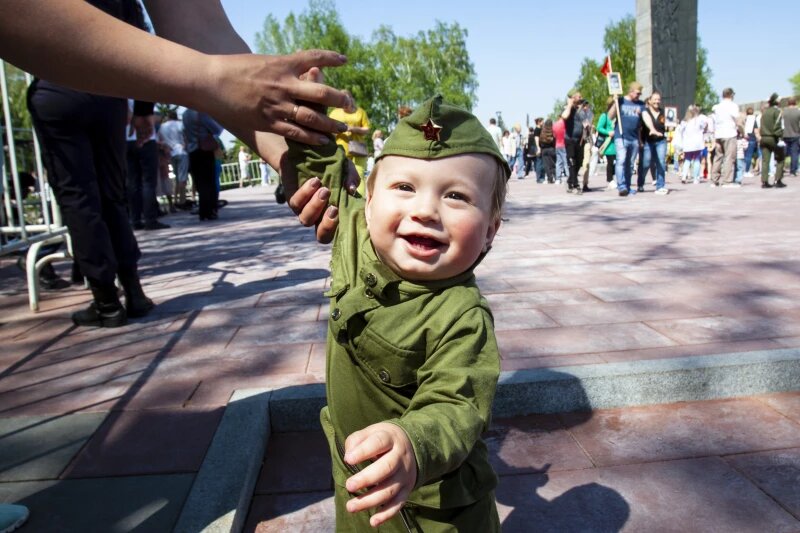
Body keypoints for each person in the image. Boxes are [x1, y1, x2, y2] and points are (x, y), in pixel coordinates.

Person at [286, 95, 506, 531]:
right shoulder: (355, 236)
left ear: (489, 231)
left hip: (429, 512)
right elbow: (320, 168)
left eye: (457, 196)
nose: (424, 210)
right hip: (357, 484)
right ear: (368, 201)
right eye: (404, 187)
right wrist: (305, 108)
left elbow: (456, 403)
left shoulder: (462, 315)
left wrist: (413, 441)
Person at [1, 0, 358, 244]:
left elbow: (199, 27)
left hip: (105, 95)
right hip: (66, 84)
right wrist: (214, 79)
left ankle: (112, 288)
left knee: (98, 196)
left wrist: (293, 155)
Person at [125, 99, 168, 230]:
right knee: (148, 182)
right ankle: (150, 219)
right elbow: (149, 117)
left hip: (126, 140)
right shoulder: (140, 94)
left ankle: (135, 219)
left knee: (133, 182)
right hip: (146, 139)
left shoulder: (120, 95)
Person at [183, 108, 223, 220]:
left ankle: (203, 210)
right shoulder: (201, 113)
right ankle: (210, 209)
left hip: (192, 150)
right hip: (204, 148)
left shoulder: (185, 114)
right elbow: (216, 129)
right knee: (209, 181)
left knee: (199, 182)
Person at [607, 81, 646, 196]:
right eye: (637, 93)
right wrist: (615, 102)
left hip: (634, 138)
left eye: (640, 94)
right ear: (631, 91)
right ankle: (622, 186)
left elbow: (645, 119)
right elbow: (610, 116)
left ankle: (628, 187)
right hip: (621, 136)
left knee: (630, 164)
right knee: (621, 160)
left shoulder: (640, 104)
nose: (639, 96)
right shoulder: (621, 101)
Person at [329, 90, 371, 194]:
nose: (345, 102)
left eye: (347, 99)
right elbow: (328, 130)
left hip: (358, 150)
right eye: (341, 100)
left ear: (352, 99)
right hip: (340, 149)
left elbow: (367, 129)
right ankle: (343, 202)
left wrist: (352, 129)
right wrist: (339, 130)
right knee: (341, 175)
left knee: (359, 174)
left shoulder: (360, 112)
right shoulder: (334, 113)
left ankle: (360, 204)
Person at [158, 109, 190, 207]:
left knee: (176, 178)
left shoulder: (162, 126)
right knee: (182, 178)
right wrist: (186, 145)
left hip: (171, 153)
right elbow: (186, 135)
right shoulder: (180, 124)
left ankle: (175, 199)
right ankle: (182, 200)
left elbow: (160, 139)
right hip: (181, 151)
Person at [561, 90, 591, 194]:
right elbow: (564, 116)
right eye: (579, 96)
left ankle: (570, 181)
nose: (581, 98)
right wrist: (569, 105)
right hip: (569, 139)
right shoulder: (567, 108)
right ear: (573, 98)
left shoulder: (581, 110)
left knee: (579, 161)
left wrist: (588, 127)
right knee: (572, 161)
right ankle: (575, 184)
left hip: (580, 140)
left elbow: (585, 122)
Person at [640, 90, 668, 194]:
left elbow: (668, 127)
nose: (657, 101)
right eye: (655, 99)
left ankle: (660, 186)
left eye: (658, 99)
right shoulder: (645, 112)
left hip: (661, 141)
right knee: (646, 163)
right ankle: (641, 183)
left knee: (660, 162)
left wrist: (671, 125)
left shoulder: (664, 112)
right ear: (650, 100)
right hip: (648, 141)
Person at [710, 88, 739, 187]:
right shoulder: (733, 106)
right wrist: (742, 131)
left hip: (718, 134)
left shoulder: (717, 107)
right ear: (731, 95)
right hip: (729, 133)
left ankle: (714, 180)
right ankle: (727, 181)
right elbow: (737, 119)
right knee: (729, 158)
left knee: (718, 157)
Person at [758, 93, 786, 189]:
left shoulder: (764, 112)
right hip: (773, 138)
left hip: (764, 137)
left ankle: (764, 181)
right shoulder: (777, 112)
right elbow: (777, 126)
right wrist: (780, 137)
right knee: (780, 159)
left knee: (765, 160)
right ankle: (777, 180)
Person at [596, 97, 617, 189]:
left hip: (617, 141)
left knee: (618, 161)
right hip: (608, 143)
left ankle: (616, 177)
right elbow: (599, 127)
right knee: (610, 161)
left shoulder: (618, 117)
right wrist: (608, 132)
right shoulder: (604, 116)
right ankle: (610, 179)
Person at [782, 97, 800, 176]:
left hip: (785, 134)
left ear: (788, 103)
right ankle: (793, 171)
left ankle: (781, 168)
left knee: (783, 153)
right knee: (794, 153)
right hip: (795, 134)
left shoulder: (783, 112)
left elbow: (781, 124)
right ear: (795, 103)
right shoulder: (798, 112)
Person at [539, 119, 557, 184]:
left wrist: (542, 147)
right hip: (551, 149)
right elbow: (555, 140)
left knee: (546, 165)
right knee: (552, 164)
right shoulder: (552, 131)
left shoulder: (543, 132)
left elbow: (540, 141)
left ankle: (550, 179)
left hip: (544, 150)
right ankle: (556, 177)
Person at [553, 118, 567, 184]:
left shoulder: (555, 125)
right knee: (566, 162)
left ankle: (558, 178)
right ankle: (569, 177)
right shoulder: (565, 124)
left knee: (558, 162)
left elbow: (554, 135)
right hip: (564, 144)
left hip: (557, 145)